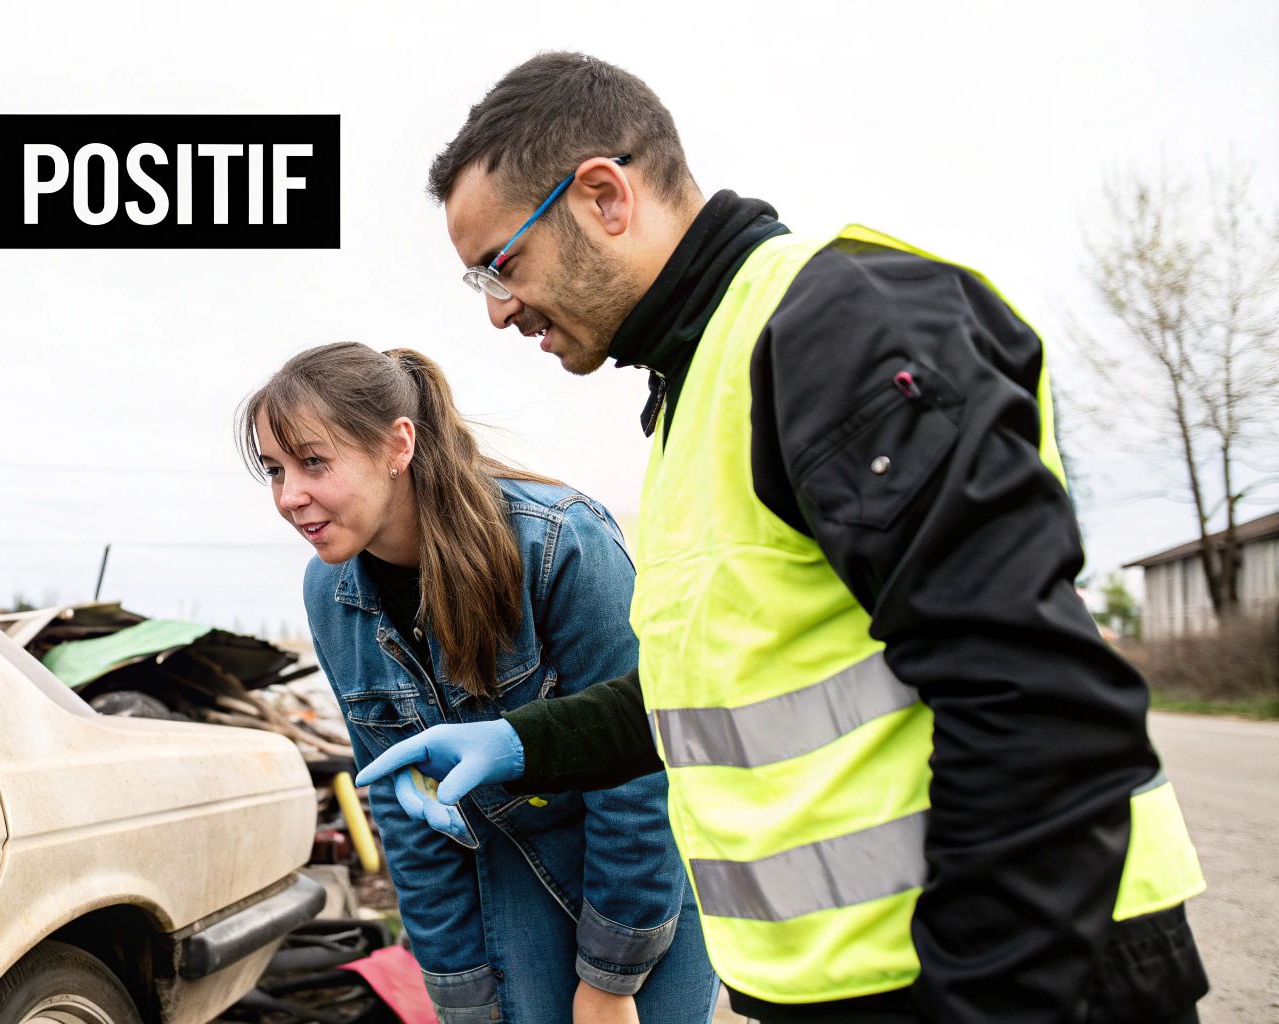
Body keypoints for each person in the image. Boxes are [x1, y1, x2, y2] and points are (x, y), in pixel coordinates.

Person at [357, 53, 1210, 1024]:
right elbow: (724, 693)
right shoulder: (695, 388)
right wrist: (520, 742)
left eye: (500, 263)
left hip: (1012, 974)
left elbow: (1030, 700)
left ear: (601, 196)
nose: (496, 309)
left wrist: (988, 995)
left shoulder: (828, 330)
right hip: (867, 982)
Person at [239, 342, 718, 1024]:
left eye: (314, 462)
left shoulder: (557, 542)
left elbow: (640, 773)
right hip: (507, 894)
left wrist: (612, 977)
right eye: (275, 470)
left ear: (396, 445)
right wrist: (458, 990)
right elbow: (407, 818)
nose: (290, 497)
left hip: (642, 881)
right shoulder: (330, 592)